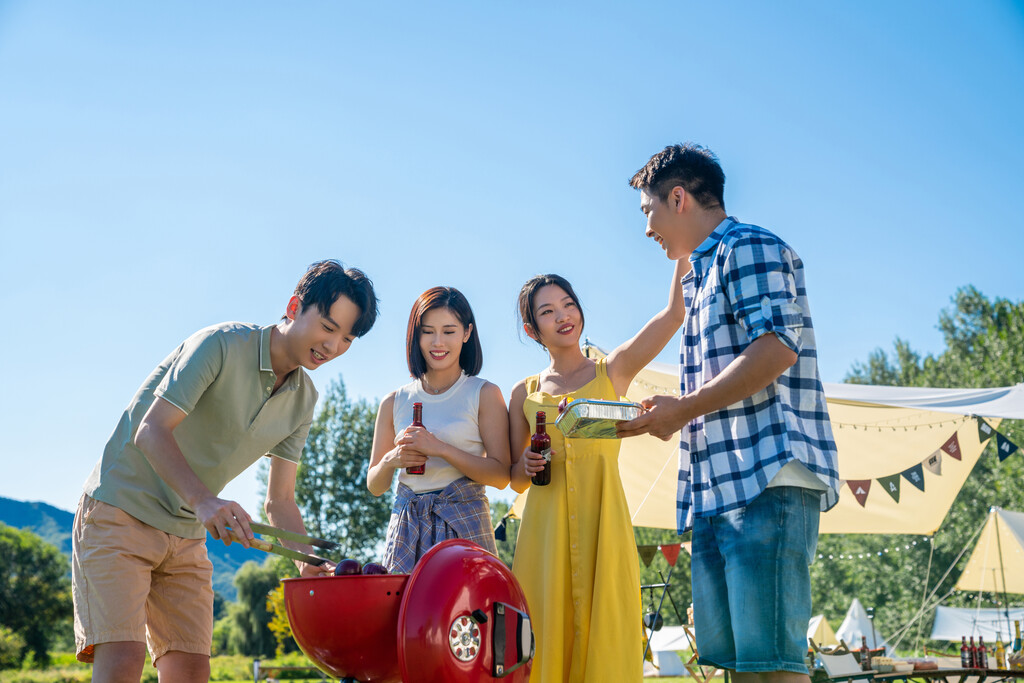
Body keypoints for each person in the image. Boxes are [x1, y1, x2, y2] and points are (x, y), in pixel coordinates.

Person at [72, 260, 379, 683]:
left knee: (191, 671)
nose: (333, 346)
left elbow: (280, 500)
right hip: (120, 510)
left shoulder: (303, 399)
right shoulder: (220, 344)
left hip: (185, 535)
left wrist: (308, 561)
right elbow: (151, 431)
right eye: (328, 327)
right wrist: (204, 501)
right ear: (294, 306)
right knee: (124, 659)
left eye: (347, 338)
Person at [617, 143, 840, 683]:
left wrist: (683, 409)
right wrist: (671, 413)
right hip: (717, 493)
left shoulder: (748, 246)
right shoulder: (699, 276)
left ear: (678, 197)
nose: (648, 229)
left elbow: (776, 347)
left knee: (774, 669)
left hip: (767, 479)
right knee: (741, 669)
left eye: (648, 211)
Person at [508, 264, 686, 683]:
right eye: (548, 311)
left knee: (607, 631)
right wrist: (526, 465)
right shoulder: (524, 393)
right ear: (533, 330)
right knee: (543, 634)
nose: (563, 315)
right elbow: (513, 477)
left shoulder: (612, 371)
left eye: (569, 304)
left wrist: (684, 250)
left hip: (603, 525)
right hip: (543, 536)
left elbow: (673, 315)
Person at [367, 286, 510, 573]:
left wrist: (440, 449)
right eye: (427, 331)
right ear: (415, 335)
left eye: (449, 331)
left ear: (467, 333)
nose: (437, 342)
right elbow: (375, 485)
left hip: (465, 522)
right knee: (406, 615)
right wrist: (392, 460)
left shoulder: (484, 393)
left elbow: (500, 476)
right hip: (407, 528)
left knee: (469, 613)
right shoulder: (394, 401)